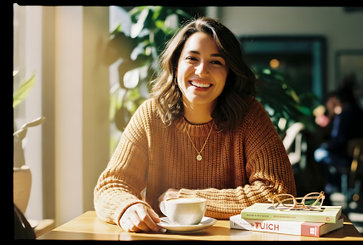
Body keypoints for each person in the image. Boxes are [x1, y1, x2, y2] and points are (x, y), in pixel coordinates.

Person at [94, 17, 296, 233]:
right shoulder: (150, 115)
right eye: (192, 58)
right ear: (175, 64)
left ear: (229, 73)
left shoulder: (250, 116)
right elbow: (111, 185)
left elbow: (278, 193)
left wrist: (189, 199)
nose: (201, 71)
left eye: (216, 62)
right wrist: (128, 207)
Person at [314, 77, 363, 194]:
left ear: (338, 100)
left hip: (350, 160)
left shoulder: (343, 116)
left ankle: (327, 188)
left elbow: (339, 141)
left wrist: (325, 145)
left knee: (318, 153)